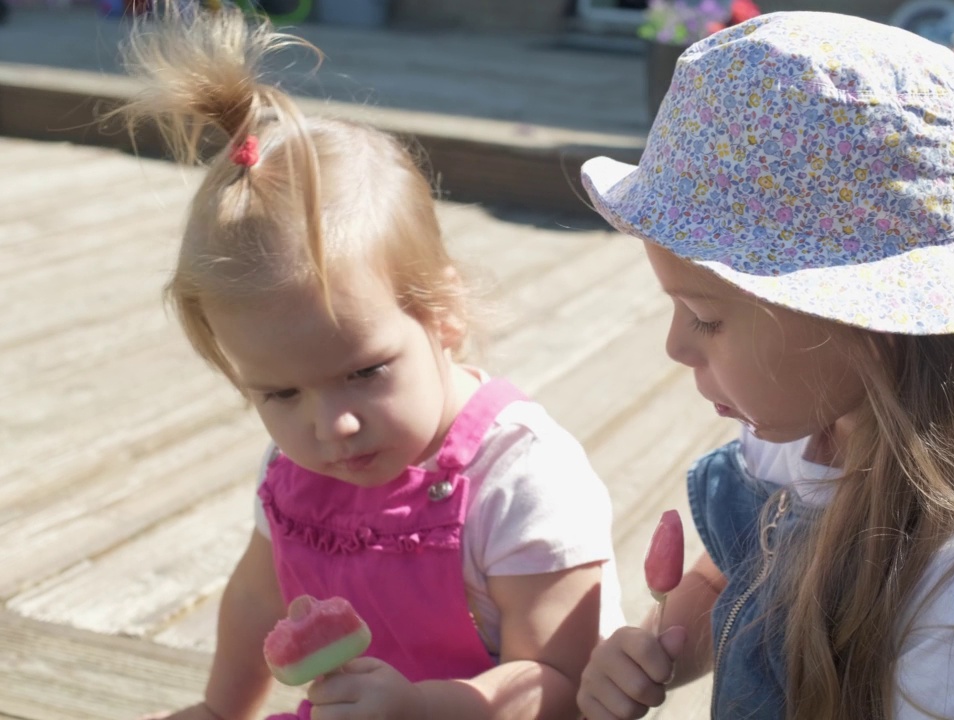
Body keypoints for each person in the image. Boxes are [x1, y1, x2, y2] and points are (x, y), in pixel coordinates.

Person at [575, 12, 954, 720]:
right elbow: (739, 565)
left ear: (869, 326)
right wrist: (664, 644)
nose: (676, 348)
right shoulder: (818, 430)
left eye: (706, 317)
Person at [121, 5, 622, 719]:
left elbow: (560, 684)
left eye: (364, 372)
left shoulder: (520, 480)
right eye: (280, 394)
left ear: (441, 312)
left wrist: (416, 708)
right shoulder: (296, 470)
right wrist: (219, 710)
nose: (334, 425)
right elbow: (259, 598)